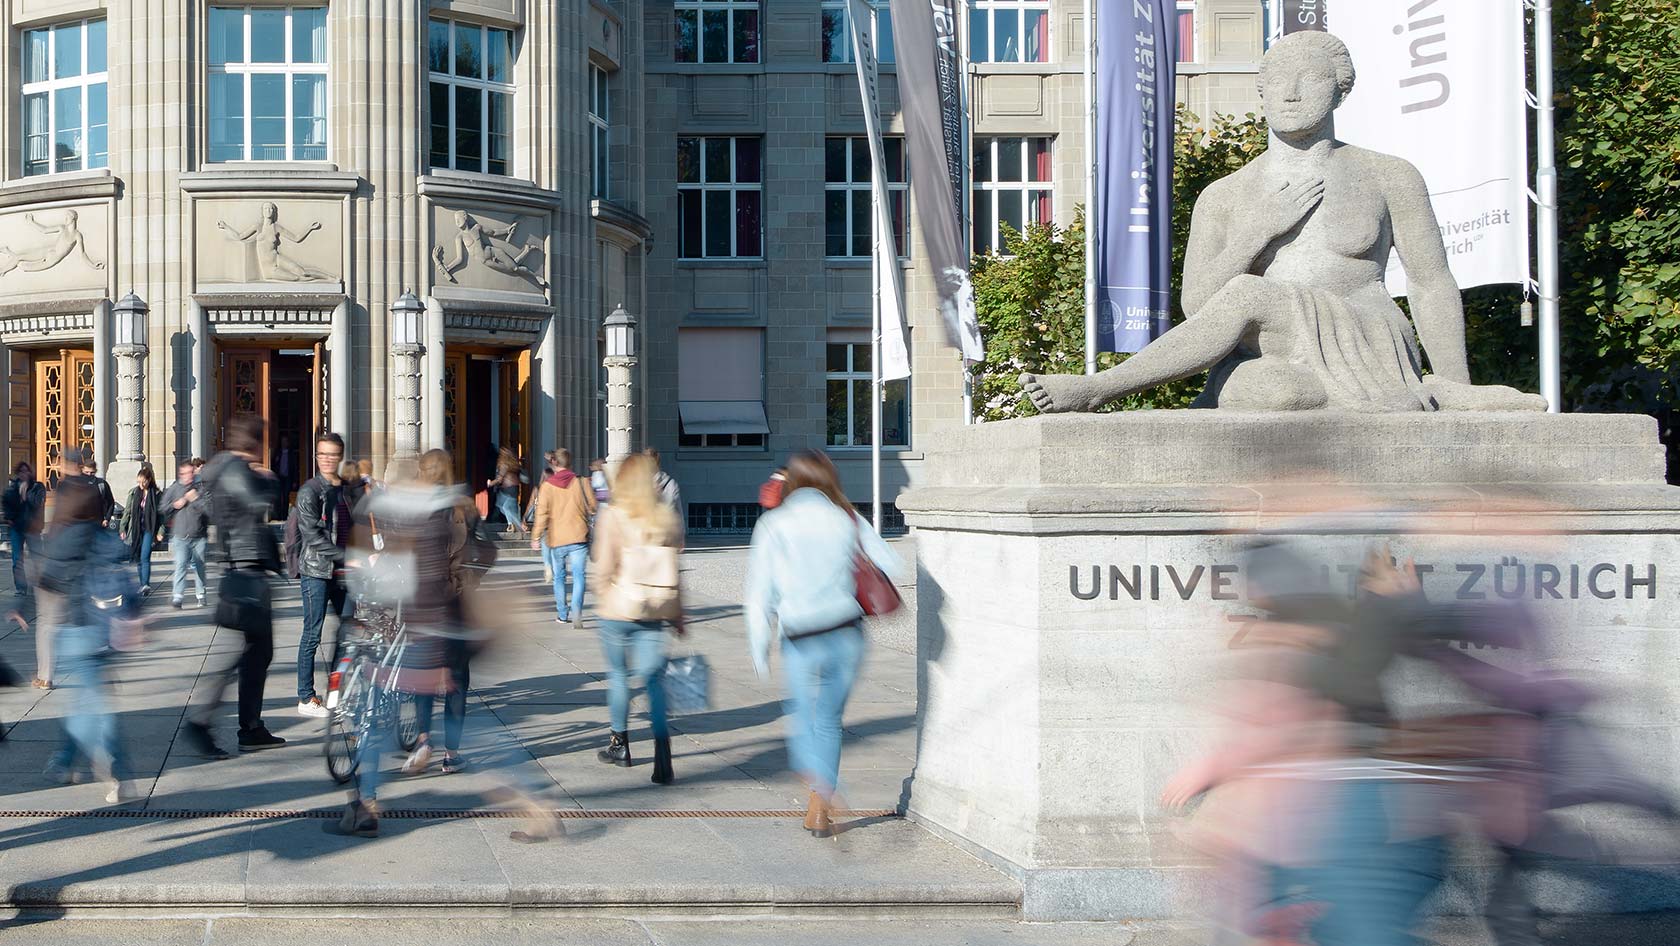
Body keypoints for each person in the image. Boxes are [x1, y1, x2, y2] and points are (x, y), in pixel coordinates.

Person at [745, 449, 899, 838]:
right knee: (829, 720)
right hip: (847, 631)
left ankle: (819, 786)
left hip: (802, 634)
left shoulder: (775, 524)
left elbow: (759, 592)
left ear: (792, 482)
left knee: (802, 716)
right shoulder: (846, 517)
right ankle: (820, 804)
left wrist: (759, 646)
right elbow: (891, 562)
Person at [334, 449, 471, 836]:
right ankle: (370, 797)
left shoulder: (407, 517)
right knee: (408, 704)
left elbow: (376, 564)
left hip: (404, 624)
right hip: (422, 625)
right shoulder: (443, 514)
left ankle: (368, 800)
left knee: (377, 716)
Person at [186, 414, 285, 757]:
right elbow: (260, 505)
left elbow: (207, 506)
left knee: (254, 653)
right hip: (247, 571)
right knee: (249, 655)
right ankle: (208, 723)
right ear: (255, 443)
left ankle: (250, 727)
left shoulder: (219, 469)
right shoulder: (238, 470)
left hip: (239, 568)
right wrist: (269, 481)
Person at [35, 480, 138, 803]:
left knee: (88, 702)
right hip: (104, 631)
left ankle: (73, 762)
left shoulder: (59, 539)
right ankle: (98, 767)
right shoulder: (102, 537)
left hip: (75, 630)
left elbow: (46, 579)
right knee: (92, 703)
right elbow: (125, 574)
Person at [589, 452, 685, 784]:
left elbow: (603, 566)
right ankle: (662, 749)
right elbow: (675, 565)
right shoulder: (664, 517)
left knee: (618, 676)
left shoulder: (613, 515)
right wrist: (679, 610)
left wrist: (602, 594)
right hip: (655, 608)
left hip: (618, 607)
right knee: (655, 679)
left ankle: (621, 745)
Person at [294, 433, 351, 719]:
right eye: (322, 454)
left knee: (349, 630)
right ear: (316, 456)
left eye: (332, 454)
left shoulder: (347, 489)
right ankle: (306, 696)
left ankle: (336, 691)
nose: (327, 459)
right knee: (312, 634)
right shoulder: (310, 490)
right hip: (316, 570)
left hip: (343, 573)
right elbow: (312, 535)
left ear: (340, 456)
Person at [532, 448, 596, 627]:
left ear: (554, 463)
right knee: (579, 575)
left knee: (559, 577)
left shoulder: (547, 487)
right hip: (578, 536)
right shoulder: (582, 483)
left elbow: (542, 514)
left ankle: (562, 613)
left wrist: (536, 536)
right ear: (570, 462)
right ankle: (577, 611)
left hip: (557, 538)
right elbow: (593, 506)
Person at [161, 460, 210, 609]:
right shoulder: (174, 488)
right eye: (186, 473)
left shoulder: (201, 488)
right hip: (180, 535)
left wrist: (195, 499)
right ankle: (178, 596)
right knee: (181, 565)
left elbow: (209, 510)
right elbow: (163, 507)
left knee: (199, 566)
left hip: (198, 535)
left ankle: (201, 595)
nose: (189, 476)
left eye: (191, 472)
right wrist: (176, 504)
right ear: (180, 474)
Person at [118, 464, 164, 596]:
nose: (141, 484)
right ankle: (143, 584)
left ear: (149, 480)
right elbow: (127, 512)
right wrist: (123, 527)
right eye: (138, 482)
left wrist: (161, 532)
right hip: (136, 529)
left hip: (149, 529)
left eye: (143, 481)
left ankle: (145, 584)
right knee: (138, 557)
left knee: (145, 556)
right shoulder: (133, 493)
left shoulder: (156, 494)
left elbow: (161, 515)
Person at [4, 461, 46, 597]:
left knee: (37, 557)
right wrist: (9, 518)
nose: (24, 474)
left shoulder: (37, 487)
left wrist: (25, 496)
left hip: (33, 528)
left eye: (26, 471)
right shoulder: (12, 489)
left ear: (30, 472)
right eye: (21, 471)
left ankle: (40, 585)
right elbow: (7, 503)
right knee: (17, 559)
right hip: (18, 528)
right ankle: (21, 588)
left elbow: (38, 504)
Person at [486, 447, 528, 536]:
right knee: (502, 505)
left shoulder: (504, 465)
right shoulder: (515, 465)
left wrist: (490, 483)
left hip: (507, 490)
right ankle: (510, 524)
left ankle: (520, 525)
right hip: (513, 489)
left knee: (506, 507)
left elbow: (500, 478)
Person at [81, 457, 116, 529]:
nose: (89, 475)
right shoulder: (77, 484)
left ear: (96, 471)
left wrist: (107, 519)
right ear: (82, 470)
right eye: (86, 472)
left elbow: (111, 502)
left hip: (98, 523)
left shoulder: (102, 484)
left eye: (92, 472)